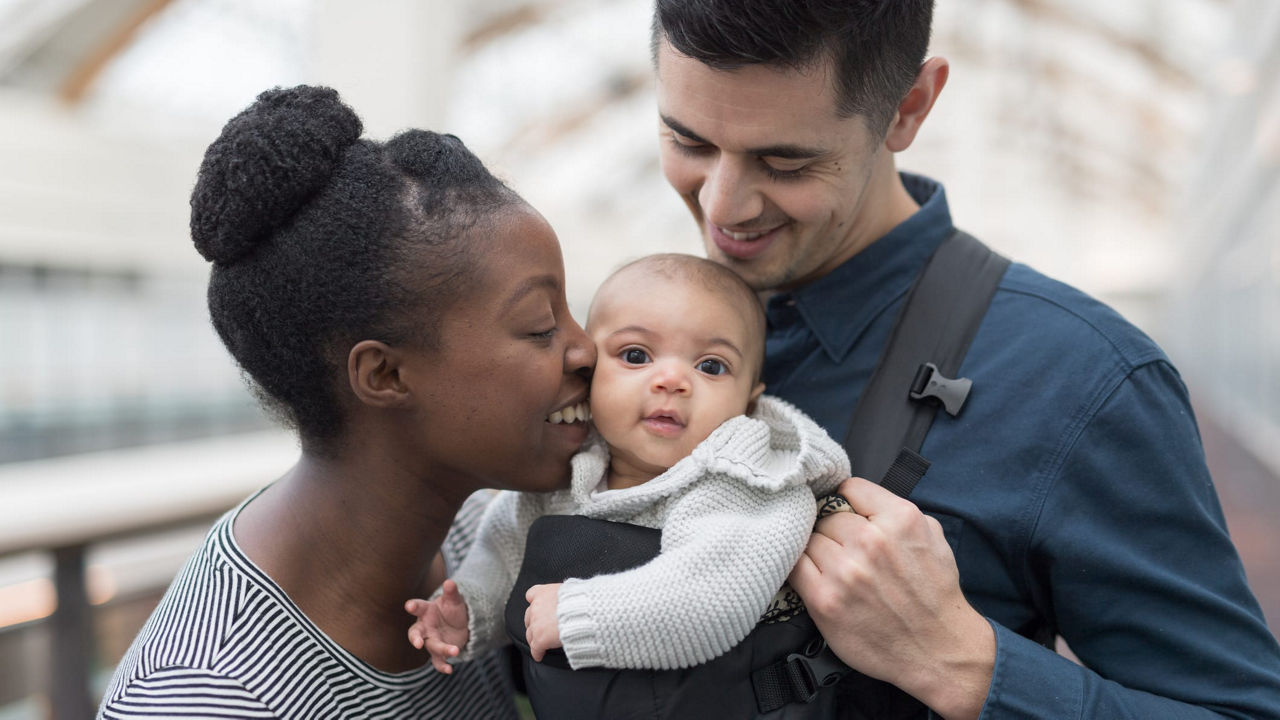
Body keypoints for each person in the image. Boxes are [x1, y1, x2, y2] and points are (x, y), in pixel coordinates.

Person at [649, 1, 1280, 718]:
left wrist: (962, 662)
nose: (722, 204)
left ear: (908, 108)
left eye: (785, 160)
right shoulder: (642, 328)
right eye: (687, 141)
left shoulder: (1081, 379)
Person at [97, 85, 596, 719]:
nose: (588, 351)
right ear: (385, 374)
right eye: (538, 325)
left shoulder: (488, 541)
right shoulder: (210, 699)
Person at [406, 253, 849, 676]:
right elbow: (503, 552)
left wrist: (581, 614)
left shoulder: (746, 484)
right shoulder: (573, 467)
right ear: (589, 371)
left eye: (711, 366)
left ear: (749, 401)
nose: (672, 381)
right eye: (636, 356)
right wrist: (470, 609)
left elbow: (713, 600)